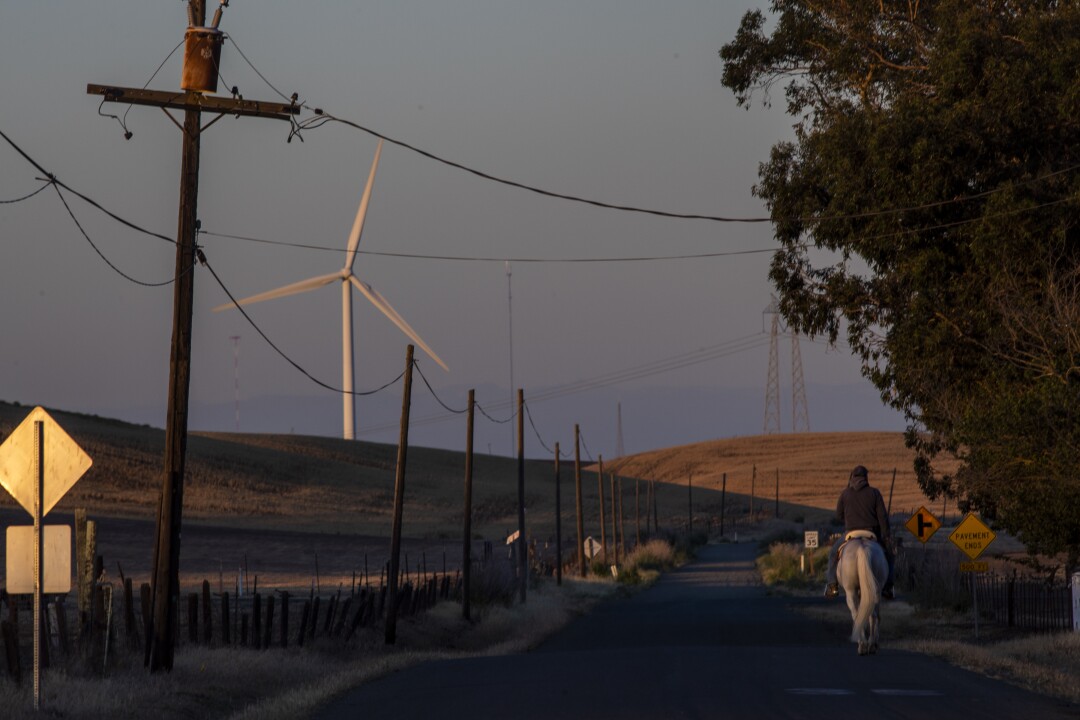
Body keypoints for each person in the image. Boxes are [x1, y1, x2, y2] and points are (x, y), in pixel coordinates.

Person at [823, 465, 895, 599]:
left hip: (851, 533)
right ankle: (888, 587)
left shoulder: (845, 493)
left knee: (833, 553)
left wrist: (850, 517)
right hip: (871, 533)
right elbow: (883, 517)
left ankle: (832, 586)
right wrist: (886, 535)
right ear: (866, 478)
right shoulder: (874, 493)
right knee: (889, 555)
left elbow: (839, 515)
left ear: (852, 478)